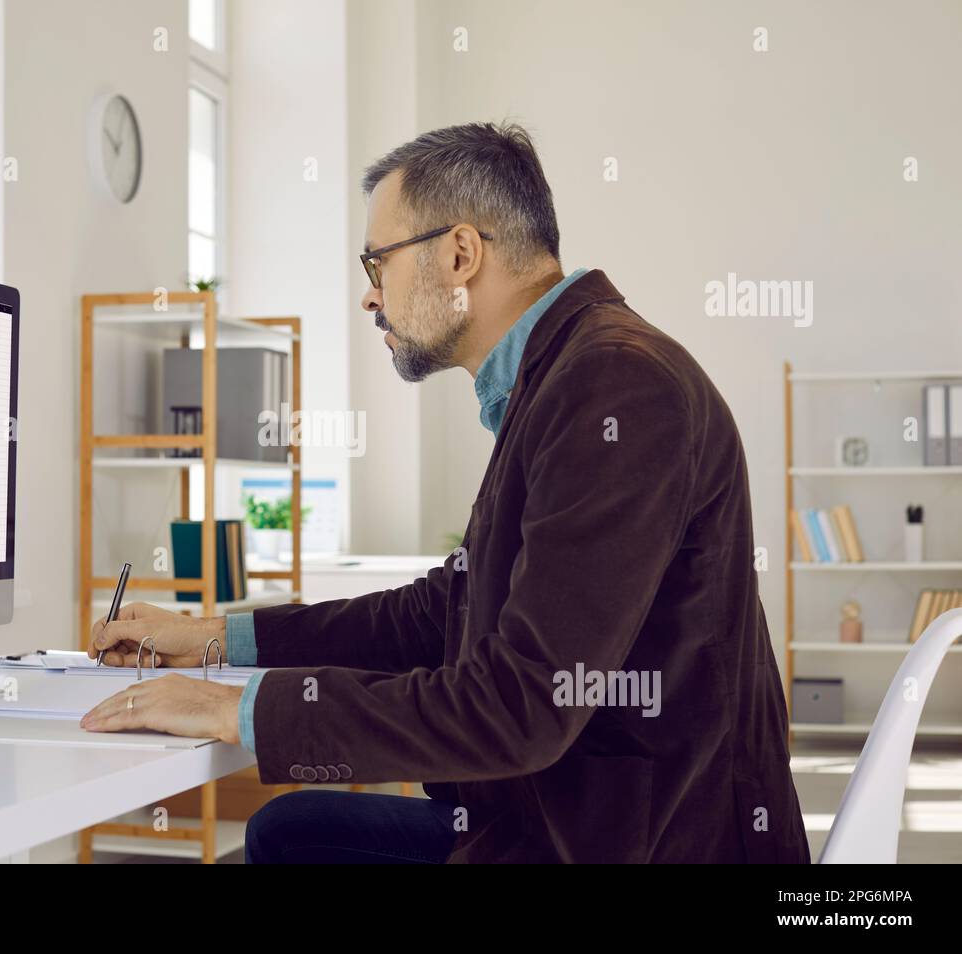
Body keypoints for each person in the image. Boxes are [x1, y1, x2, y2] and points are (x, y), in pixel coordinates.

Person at [82, 121, 810, 865]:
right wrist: (217, 639)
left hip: (643, 843)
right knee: (287, 831)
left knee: (294, 843)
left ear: (460, 254)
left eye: (378, 263)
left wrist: (233, 708)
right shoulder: (561, 379)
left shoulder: (613, 386)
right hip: (565, 821)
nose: (370, 297)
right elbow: (443, 612)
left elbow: (522, 705)